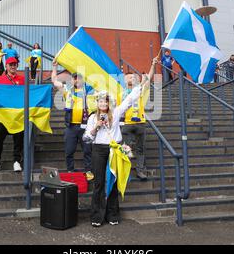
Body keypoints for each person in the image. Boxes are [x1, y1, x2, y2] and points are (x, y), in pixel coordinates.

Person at [84, 85, 142, 227]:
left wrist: (143, 84)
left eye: (106, 101)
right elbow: (86, 139)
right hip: (98, 150)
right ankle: (96, 217)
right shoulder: (92, 118)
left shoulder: (116, 113)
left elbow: (129, 100)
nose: (103, 104)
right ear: (97, 103)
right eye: (100, 101)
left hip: (113, 150)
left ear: (109, 103)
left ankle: (113, 214)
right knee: (98, 183)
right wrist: (96, 127)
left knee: (113, 181)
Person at [51, 59, 94, 181]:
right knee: (69, 150)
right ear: (72, 80)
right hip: (71, 127)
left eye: (79, 78)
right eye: (75, 78)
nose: (77, 80)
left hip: (85, 126)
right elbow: (55, 81)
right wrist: (54, 67)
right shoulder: (67, 90)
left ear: (82, 80)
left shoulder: (89, 90)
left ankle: (88, 170)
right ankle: (70, 170)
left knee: (87, 150)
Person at [122, 57, 158, 181]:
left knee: (140, 149)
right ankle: (125, 171)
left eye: (133, 77)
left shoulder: (139, 90)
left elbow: (149, 78)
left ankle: (140, 171)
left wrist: (153, 64)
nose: (131, 79)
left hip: (140, 123)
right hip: (127, 123)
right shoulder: (121, 92)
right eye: (129, 77)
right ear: (124, 80)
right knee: (125, 148)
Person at [0, 57, 25, 173]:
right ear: (6, 66)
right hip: (2, 115)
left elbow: (28, 94)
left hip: (17, 115)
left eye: (15, 64)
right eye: (11, 64)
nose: (13, 66)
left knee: (19, 139)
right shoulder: (0, 79)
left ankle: (17, 161)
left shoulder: (23, 79)